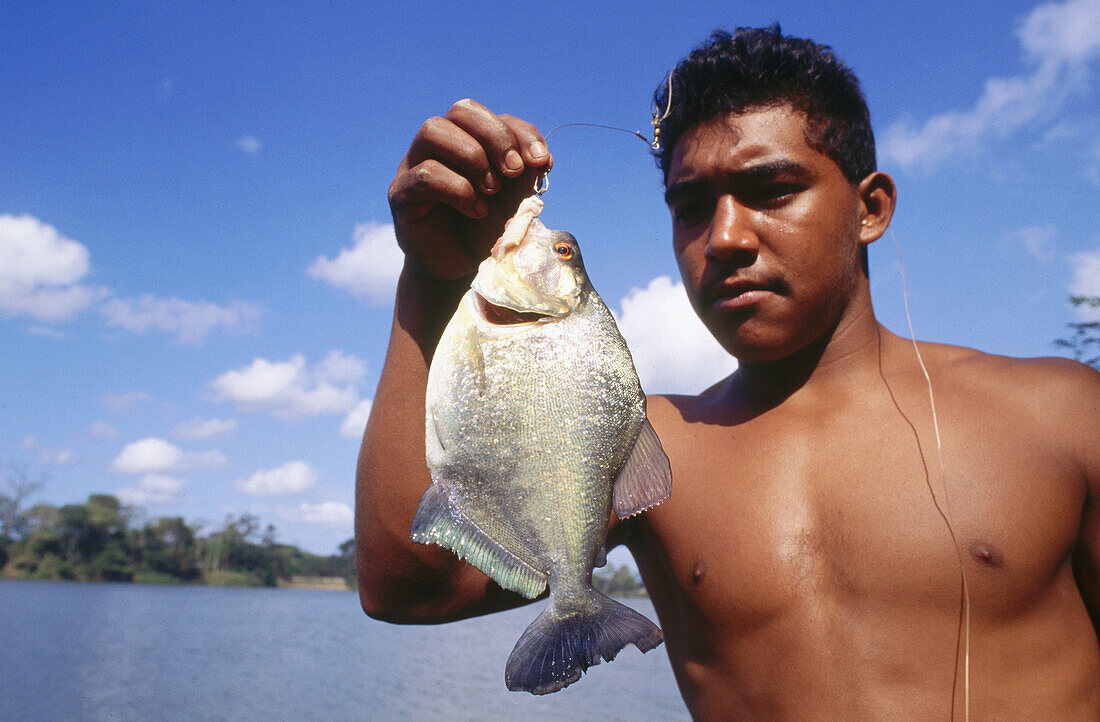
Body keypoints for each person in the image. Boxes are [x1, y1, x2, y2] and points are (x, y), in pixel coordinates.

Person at [356, 25, 1100, 719]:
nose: (725, 237)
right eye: (690, 206)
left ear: (871, 207)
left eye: (772, 190)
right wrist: (430, 274)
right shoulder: (645, 441)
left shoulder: (1062, 413)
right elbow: (407, 586)